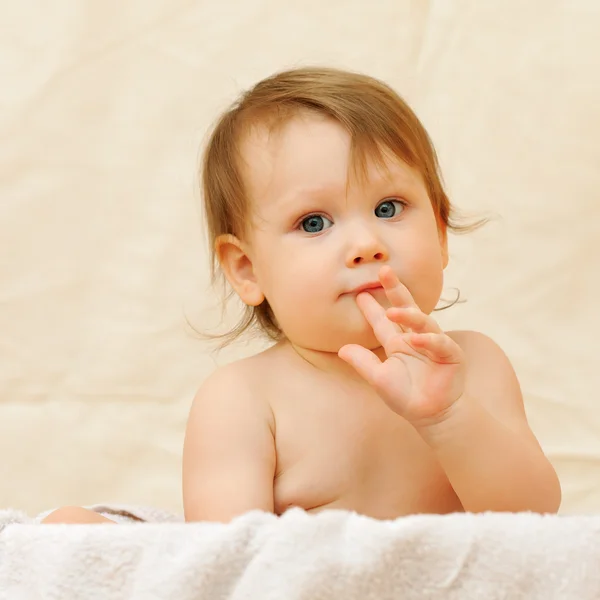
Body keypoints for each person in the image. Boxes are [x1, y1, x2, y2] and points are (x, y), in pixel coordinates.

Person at [42, 66, 561, 525]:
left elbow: (535, 521)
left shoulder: (476, 366)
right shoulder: (245, 398)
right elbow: (224, 566)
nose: (365, 245)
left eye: (389, 208)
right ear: (248, 270)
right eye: (314, 222)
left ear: (442, 235)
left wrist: (448, 418)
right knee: (72, 537)